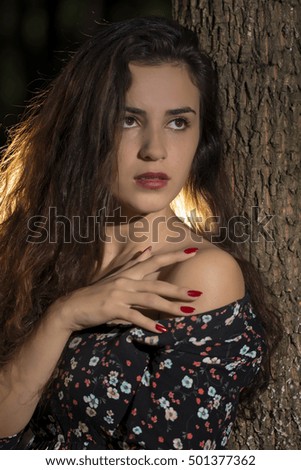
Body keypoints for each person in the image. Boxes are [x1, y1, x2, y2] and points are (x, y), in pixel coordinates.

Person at [0, 16, 280, 450]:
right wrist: (63, 317)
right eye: (129, 120)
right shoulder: (29, 248)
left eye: (177, 122)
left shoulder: (201, 277)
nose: (154, 149)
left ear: (201, 140)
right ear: (86, 129)